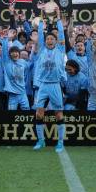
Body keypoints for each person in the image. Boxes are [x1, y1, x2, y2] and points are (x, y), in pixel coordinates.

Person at [32, 9, 67, 153]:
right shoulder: (41, 50)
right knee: (39, 113)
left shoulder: (60, 49)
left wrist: (58, 18)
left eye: (52, 39)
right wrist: (41, 17)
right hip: (43, 86)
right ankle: (41, 141)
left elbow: (62, 34)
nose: (50, 40)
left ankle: (60, 142)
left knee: (58, 114)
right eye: (48, 39)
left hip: (55, 85)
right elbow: (40, 34)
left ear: (56, 41)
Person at [1, 34, 31, 110]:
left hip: (23, 93)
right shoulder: (7, 62)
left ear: (19, 54)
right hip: (12, 94)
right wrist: (6, 39)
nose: (14, 54)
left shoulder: (23, 62)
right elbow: (4, 51)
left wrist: (34, 46)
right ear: (9, 55)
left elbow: (32, 61)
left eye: (16, 52)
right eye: (12, 52)